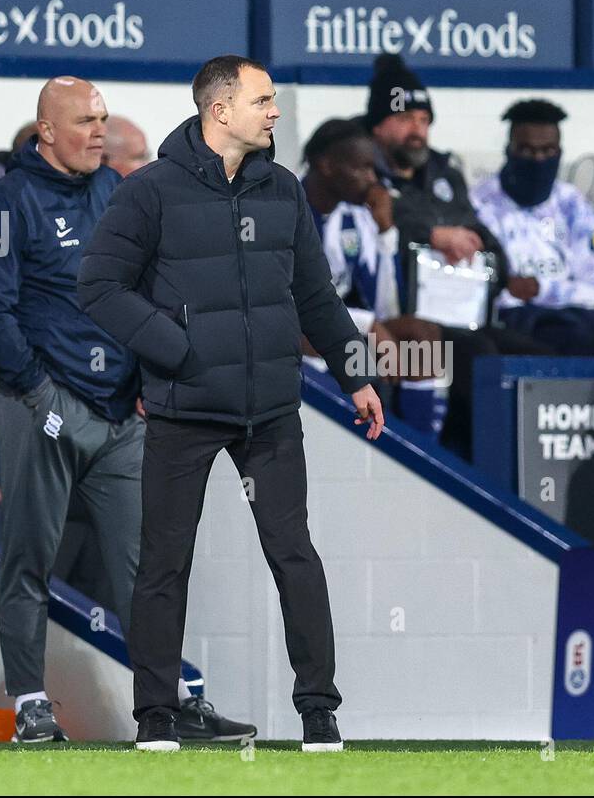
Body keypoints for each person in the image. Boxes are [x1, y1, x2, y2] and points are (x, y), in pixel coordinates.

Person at [79, 55, 385, 753]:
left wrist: (357, 374)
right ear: (220, 111)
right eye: (263, 100)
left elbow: (317, 296)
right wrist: (176, 349)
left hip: (272, 410)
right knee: (164, 563)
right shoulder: (149, 191)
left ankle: (319, 713)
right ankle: (156, 715)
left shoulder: (284, 190)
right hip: (185, 407)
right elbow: (97, 285)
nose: (275, 112)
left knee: (294, 557)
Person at [0, 76, 249, 743]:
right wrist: (41, 397)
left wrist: (151, 379)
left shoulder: (117, 193)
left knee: (148, 561)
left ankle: (165, 702)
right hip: (39, 402)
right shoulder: (4, 205)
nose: (99, 130)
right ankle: (31, 706)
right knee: (29, 557)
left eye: (102, 119)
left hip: (119, 411)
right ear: (46, 132)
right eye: (87, 121)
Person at [365, 53, 552, 457]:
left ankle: (532, 465)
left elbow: (479, 229)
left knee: (535, 353)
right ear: (378, 125)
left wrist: (501, 269)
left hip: (466, 314)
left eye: (423, 120)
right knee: (474, 356)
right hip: (400, 314)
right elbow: (373, 215)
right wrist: (433, 233)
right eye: (405, 119)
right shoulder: (360, 169)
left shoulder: (444, 172)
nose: (417, 130)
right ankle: (476, 467)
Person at [300, 117, 451, 445]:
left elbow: (386, 307)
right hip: (291, 333)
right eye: (362, 169)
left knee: (422, 336)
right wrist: (369, 326)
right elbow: (289, 305)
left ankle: (422, 449)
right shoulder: (286, 211)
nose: (372, 180)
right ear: (326, 166)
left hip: (339, 327)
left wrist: (385, 231)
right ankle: (329, 441)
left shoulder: (355, 216)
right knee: (318, 338)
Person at [471, 98, 594, 355]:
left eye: (548, 151)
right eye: (527, 150)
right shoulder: (479, 204)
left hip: (572, 320)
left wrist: (542, 289)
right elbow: (473, 291)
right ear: (509, 150)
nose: (538, 160)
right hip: (509, 321)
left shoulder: (573, 205)